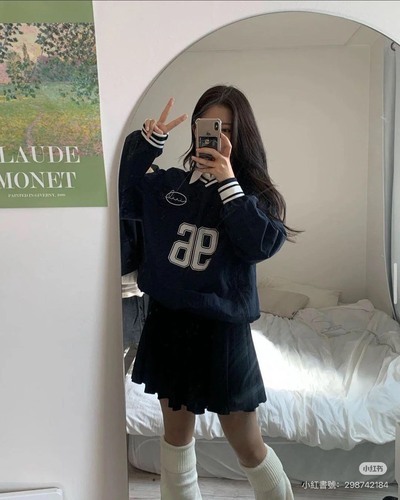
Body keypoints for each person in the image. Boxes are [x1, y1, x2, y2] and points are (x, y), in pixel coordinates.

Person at [119, 85, 298, 500]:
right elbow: (121, 193)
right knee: (175, 440)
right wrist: (148, 143)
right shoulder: (169, 185)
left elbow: (260, 245)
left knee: (248, 446)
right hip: (168, 322)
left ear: (240, 135)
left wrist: (228, 183)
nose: (216, 137)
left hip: (223, 331)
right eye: (209, 127)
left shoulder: (253, 196)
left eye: (226, 129)